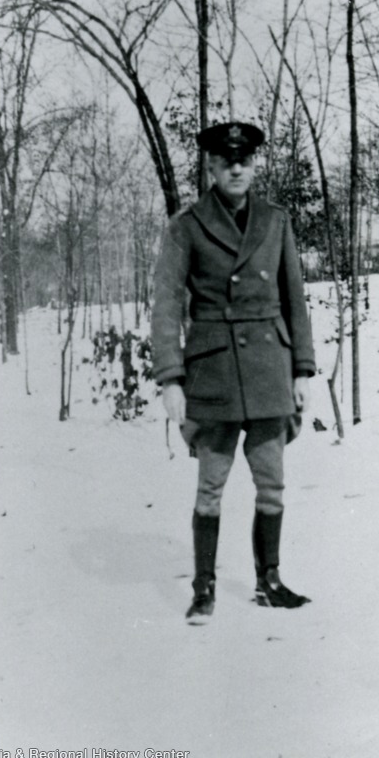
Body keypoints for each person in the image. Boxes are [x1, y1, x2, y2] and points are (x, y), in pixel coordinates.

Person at [151, 121, 316, 622]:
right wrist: (171, 379)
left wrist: (302, 369)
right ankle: (204, 588)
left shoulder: (276, 220)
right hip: (214, 371)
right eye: (227, 162)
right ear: (212, 167)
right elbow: (166, 304)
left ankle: (270, 580)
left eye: (244, 161)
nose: (237, 169)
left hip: (269, 367)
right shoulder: (187, 226)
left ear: (255, 164)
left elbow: (294, 298)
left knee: (272, 482)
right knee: (211, 487)